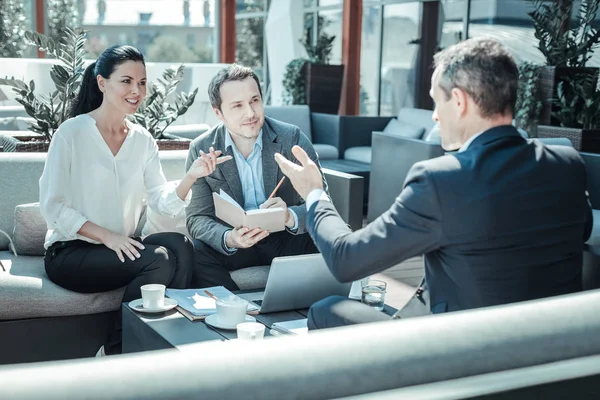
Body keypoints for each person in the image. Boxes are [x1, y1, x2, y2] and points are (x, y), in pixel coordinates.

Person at [275, 38, 593, 330]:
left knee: (327, 310)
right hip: (556, 345)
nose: (435, 118)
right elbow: (579, 232)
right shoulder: (567, 165)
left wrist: (314, 193)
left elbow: (346, 260)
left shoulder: (441, 179)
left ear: (459, 101)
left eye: (435, 102)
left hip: (460, 355)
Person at [39, 45, 231, 356]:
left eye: (142, 83)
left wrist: (192, 176)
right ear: (102, 83)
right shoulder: (71, 133)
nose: (136, 91)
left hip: (119, 248)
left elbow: (160, 201)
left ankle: (169, 341)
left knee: (181, 245)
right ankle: (117, 351)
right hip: (71, 253)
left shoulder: (142, 139)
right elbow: (54, 207)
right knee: (160, 257)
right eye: (126, 81)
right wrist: (108, 236)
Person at [186, 64, 328, 290]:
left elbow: (322, 203)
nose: (250, 113)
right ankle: (232, 309)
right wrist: (229, 238)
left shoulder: (291, 138)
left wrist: (288, 216)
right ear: (218, 113)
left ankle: (313, 310)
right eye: (238, 106)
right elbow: (197, 218)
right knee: (194, 252)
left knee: (332, 237)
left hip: (283, 238)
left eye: (254, 101)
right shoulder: (202, 148)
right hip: (236, 242)